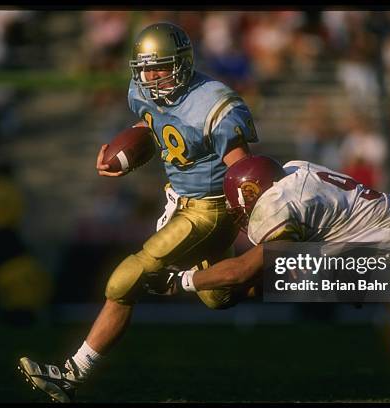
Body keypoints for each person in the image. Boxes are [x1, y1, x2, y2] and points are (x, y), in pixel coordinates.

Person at [18, 22, 259, 402]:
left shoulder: (214, 102)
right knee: (219, 296)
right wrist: (126, 156)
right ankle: (279, 273)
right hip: (179, 200)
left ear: (181, 64)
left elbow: (245, 173)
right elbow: (154, 129)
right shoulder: (143, 92)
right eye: (144, 68)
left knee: (125, 280)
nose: (149, 76)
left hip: (211, 209)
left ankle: (71, 374)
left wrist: (251, 217)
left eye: (159, 67)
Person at [159, 155, 390, 367]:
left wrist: (182, 281)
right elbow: (285, 277)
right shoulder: (295, 173)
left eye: (240, 207)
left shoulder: (276, 205)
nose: (241, 216)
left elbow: (247, 270)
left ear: (252, 195)